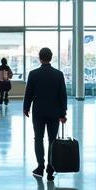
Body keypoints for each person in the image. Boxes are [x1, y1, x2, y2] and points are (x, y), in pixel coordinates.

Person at [23, 47, 67, 181]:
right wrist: (63, 113)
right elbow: (62, 96)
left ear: (40, 58)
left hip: (39, 113)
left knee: (38, 139)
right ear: (51, 57)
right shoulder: (58, 74)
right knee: (52, 140)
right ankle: (51, 169)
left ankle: (40, 167)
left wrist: (26, 107)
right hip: (54, 113)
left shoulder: (33, 74)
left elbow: (28, 93)